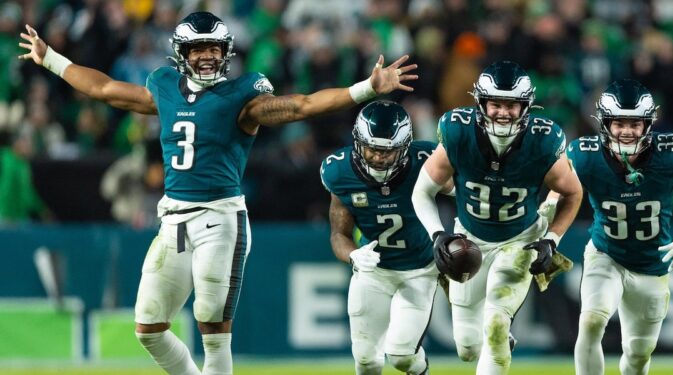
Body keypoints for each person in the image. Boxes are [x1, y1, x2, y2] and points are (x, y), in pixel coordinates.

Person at [19, 12, 417, 375]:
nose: (208, 57)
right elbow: (105, 88)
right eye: (198, 49)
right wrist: (50, 58)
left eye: (214, 48)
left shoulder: (242, 96)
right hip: (173, 219)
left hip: (220, 217)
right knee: (148, 327)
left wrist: (367, 88)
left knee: (211, 321)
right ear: (182, 53)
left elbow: (300, 105)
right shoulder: (164, 87)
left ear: (226, 52)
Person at [411, 60, 583, 374]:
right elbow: (422, 191)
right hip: (469, 237)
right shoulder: (458, 131)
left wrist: (552, 239)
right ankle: (502, 340)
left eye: (512, 105)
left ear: (526, 107)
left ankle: (501, 332)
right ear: (481, 104)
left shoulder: (543, 139)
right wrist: (437, 233)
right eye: (495, 104)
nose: (503, 112)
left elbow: (573, 193)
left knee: (494, 321)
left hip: (521, 240)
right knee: (467, 347)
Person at [551, 79, 673, 375]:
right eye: (619, 123)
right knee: (592, 320)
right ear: (605, 124)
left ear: (648, 124)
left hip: (651, 265)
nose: (627, 131)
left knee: (637, 355)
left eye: (635, 123)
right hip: (605, 254)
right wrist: (547, 227)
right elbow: (558, 188)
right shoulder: (585, 156)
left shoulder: (668, 156)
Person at [320, 100, 453, 375]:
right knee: (366, 361)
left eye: (387, 151)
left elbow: (465, 194)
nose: (379, 157)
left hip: (419, 269)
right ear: (358, 142)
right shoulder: (339, 172)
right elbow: (339, 234)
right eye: (372, 148)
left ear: (404, 148)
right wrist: (354, 255)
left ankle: (421, 369)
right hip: (374, 272)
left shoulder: (425, 160)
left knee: (402, 356)